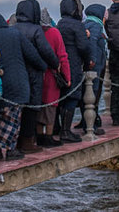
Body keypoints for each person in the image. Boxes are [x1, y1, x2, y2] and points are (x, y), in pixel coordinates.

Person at [0, 12, 45, 161]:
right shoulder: (14, 34)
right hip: (17, 83)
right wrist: (43, 66)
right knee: (14, 119)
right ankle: (11, 150)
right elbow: (32, 54)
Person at [13, 0, 57, 153]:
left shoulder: (13, 28)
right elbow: (46, 51)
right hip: (34, 72)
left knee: (18, 108)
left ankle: (16, 141)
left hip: (17, 72)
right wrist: (54, 64)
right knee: (32, 107)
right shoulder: (36, 29)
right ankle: (28, 141)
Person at [56, 0, 92, 143]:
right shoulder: (77, 25)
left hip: (62, 63)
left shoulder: (60, 24)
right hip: (74, 62)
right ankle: (66, 131)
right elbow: (83, 46)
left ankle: (60, 129)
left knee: (63, 96)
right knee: (73, 96)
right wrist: (88, 58)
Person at [37, 8, 70, 147]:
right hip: (52, 75)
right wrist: (67, 77)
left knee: (38, 106)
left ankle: (39, 137)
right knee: (51, 106)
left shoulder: (35, 32)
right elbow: (62, 56)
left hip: (37, 74)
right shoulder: (55, 33)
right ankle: (49, 137)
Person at [76, 3, 107, 134]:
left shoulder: (87, 24)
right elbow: (93, 42)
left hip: (89, 65)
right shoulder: (95, 25)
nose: (106, 15)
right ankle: (90, 126)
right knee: (91, 93)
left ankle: (86, 122)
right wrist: (93, 60)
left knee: (87, 94)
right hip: (94, 66)